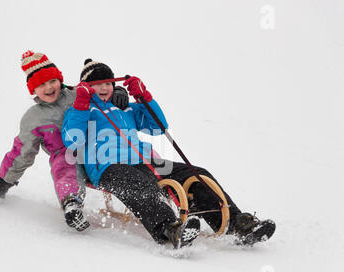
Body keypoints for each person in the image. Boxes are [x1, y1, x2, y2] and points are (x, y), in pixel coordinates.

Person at [62, 59, 276, 249]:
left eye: (108, 82)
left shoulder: (125, 108)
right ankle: (169, 230)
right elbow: (73, 141)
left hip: (143, 160)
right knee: (138, 185)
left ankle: (236, 225)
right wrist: (81, 105)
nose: (104, 87)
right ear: (87, 88)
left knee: (196, 174)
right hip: (107, 167)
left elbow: (157, 126)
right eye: (97, 84)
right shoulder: (79, 110)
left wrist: (143, 97)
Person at [0, 51, 129, 232]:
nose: (49, 87)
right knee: (64, 165)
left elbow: (102, 90)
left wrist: (119, 91)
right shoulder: (34, 118)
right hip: (66, 154)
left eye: (52, 81)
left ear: (60, 79)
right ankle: (72, 204)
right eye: (41, 84)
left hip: (98, 147)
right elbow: (22, 152)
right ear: (32, 90)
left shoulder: (77, 93)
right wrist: (5, 181)